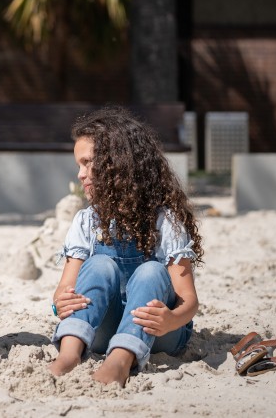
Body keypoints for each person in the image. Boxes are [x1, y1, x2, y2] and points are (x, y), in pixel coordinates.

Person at [48, 106, 204, 386]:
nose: (80, 175)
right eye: (78, 166)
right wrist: (60, 301)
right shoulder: (86, 221)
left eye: (87, 163)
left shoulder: (165, 220)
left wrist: (171, 320)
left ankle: (120, 360)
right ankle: (69, 354)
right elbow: (66, 287)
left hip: (158, 332)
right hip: (101, 329)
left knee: (151, 272)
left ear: (117, 163)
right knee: (98, 264)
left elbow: (188, 300)